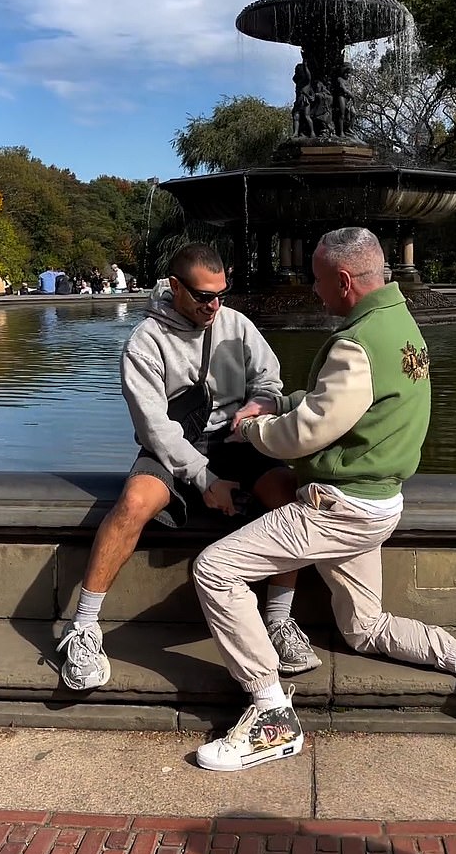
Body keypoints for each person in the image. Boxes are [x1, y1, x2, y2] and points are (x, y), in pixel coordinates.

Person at [191, 227, 456, 772]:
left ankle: (270, 714)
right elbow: (343, 400)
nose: (313, 290)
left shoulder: (355, 342)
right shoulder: (401, 324)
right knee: (364, 628)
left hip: (338, 508)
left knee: (215, 570)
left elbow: (306, 433)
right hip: (381, 503)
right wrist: (282, 401)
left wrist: (252, 432)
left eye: (317, 280)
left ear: (342, 280)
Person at [57, 243, 320, 690]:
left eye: (221, 293)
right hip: (175, 443)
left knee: (287, 495)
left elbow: (271, 382)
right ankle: (82, 628)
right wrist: (206, 479)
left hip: (237, 439)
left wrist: (258, 406)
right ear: (175, 287)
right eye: (202, 295)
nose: (213, 305)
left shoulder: (237, 325)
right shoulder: (145, 341)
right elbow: (156, 429)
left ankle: (278, 619)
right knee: (135, 501)